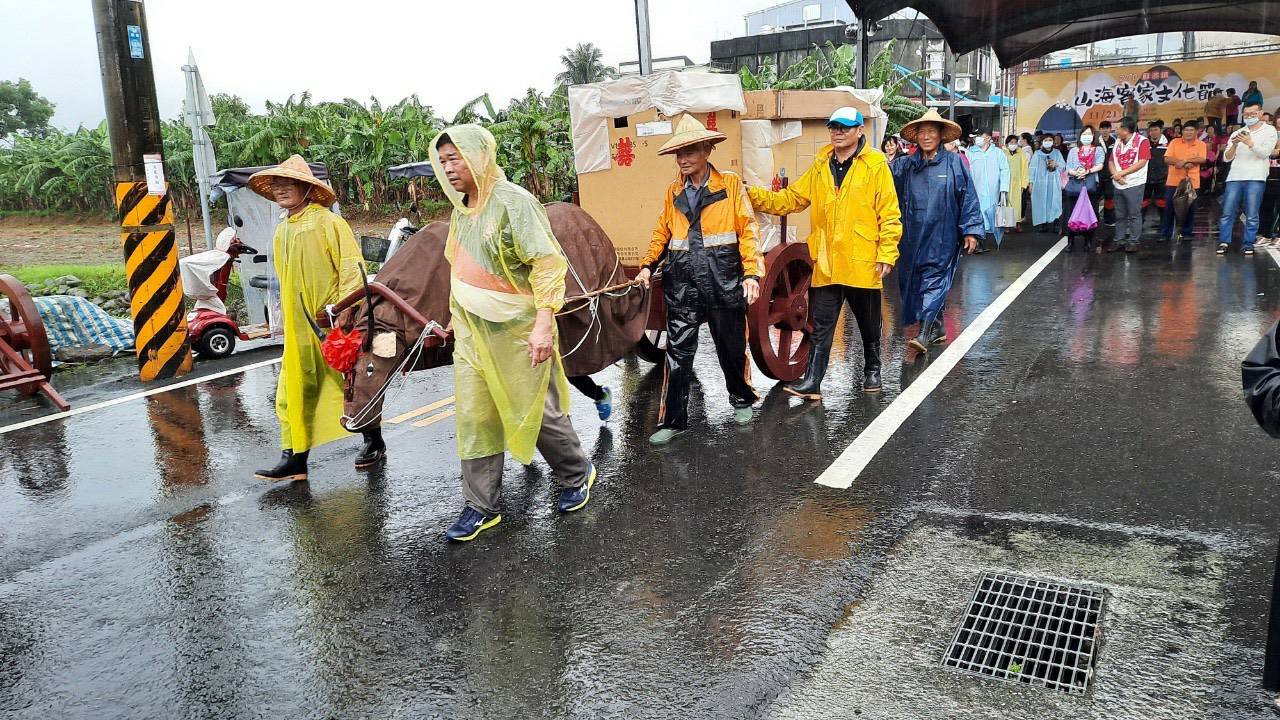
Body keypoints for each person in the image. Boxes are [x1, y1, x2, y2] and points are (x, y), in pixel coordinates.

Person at [429, 125, 597, 542]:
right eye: (443, 160)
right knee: (475, 415)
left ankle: (576, 473)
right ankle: (480, 506)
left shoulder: (514, 203)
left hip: (518, 330)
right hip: (472, 334)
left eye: (456, 158)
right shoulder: (460, 212)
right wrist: (455, 316)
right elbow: (460, 268)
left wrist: (543, 324)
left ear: (479, 156)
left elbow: (546, 263)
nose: (448, 168)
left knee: (534, 412)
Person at [747, 107, 900, 398]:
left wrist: (886, 253)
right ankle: (813, 381)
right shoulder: (820, 164)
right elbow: (792, 199)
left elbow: (889, 213)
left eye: (844, 127)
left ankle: (872, 370)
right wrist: (753, 194)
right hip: (828, 260)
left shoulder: (876, 164)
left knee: (868, 321)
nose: (837, 132)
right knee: (822, 323)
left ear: (858, 131)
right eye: (833, 127)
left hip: (862, 258)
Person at [635, 114, 761, 445]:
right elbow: (662, 231)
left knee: (731, 349)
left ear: (707, 150)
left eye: (690, 151)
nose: (683, 159)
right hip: (683, 285)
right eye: (679, 153)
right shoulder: (672, 191)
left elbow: (747, 230)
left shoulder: (730, 185)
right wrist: (648, 265)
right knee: (677, 354)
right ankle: (672, 421)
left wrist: (751, 273)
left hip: (723, 280)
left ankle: (741, 398)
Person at [248, 156, 367, 482]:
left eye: (289, 183)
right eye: (277, 184)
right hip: (298, 329)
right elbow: (285, 280)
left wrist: (345, 310)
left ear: (306, 188)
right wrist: (284, 319)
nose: (281, 189)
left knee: (349, 387)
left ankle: (373, 440)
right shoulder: (282, 230)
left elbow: (350, 267)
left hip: (328, 322)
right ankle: (295, 458)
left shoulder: (328, 222)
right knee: (291, 392)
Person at [892, 109, 983, 353]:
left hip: (943, 235)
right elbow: (884, 188)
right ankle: (938, 326)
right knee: (915, 281)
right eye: (922, 132)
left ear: (941, 135)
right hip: (911, 235)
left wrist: (970, 230)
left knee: (934, 280)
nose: (927, 137)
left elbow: (968, 197)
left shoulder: (954, 163)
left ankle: (923, 333)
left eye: (932, 131)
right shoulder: (906, 165)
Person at [1217, 101, 1278, 256]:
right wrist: (1235, 145)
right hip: (1235, 176)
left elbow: (1265, 153)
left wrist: (1250, 143)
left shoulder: (1269, 130)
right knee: (1228, 211)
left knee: (1252, 212)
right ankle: (1224, 241)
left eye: (1253, 114)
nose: (1249, 117)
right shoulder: (1238, 132)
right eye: (1246, 114)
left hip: (1256, 176)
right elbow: (1226, 158)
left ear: (1260, 113)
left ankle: (1248, 243)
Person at [1107, 117, 1152, 253]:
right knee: (1120, 214)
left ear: (1126, 130)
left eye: (1118, 128)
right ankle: (1119, 240)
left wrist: (1122, 173)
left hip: (1134, 182)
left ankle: (1133, 241)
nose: (1116, 130)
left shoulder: (1142, 141)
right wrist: (1116, 174)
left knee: (1134, 214)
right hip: (1118, 183)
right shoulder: (1118, 142)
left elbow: (1142, 162)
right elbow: (1111, 161)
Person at [1161, 121, 1207, 242]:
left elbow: (1202, 159)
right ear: (1182, 131)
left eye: (1191, 130)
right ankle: (1166, 234)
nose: (1188, 132)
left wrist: (1185, 161)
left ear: (1196, 132)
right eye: (1186, 130)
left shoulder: (1201, 144)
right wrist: (1179, 162)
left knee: (1190, 208)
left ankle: (1187, 232)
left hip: (1192, 182)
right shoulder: (1174, 142)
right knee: (1169, 208)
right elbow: (1167, 159)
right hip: (1173, 181)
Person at [1062, 126, 1105, 252]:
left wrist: (1087, 171)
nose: (1087, 136)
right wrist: (1076, 173)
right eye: (1084, 134)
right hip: (1075, 184)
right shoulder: (1074, 150)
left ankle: (1088, 241)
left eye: (1089, 134)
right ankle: (1070, 241)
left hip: (1090, 185)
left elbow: (1100, 165)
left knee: (1089, 213)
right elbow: (1068, 167)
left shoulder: (1098, 150)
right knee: (1071, 213)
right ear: (1080, 136)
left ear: (1093, 136)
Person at [966, 131, 1011, 249]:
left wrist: (1004, 188)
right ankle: (979, 241)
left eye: (980, 137)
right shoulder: (971, 153)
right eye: (976, 137)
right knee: (977, 214)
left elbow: (1005, 170)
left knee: (992, 215)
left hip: (994, 191)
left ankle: (988, 237)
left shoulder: (998, 153)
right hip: (976, 190)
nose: (978, 139)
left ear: (988, 138)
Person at [1028, 136, 1065, 231]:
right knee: (1041, 202)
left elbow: (1063, 166)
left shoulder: (1057, 153)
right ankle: (1042, 223)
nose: (1048, 142)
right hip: (1040, 182)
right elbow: (1032, 169)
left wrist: (1055, 164)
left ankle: (1056, 223)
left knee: (1055, 201)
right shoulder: (1037, 154)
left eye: (1050, 140)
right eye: (1046, 140)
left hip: (1054, 182)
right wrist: (1031, 183)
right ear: (1042, 142)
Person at [1258, 115, 1280, 247]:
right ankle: (1265, 235)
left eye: (1267, 121)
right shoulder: (1265, 136)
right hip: (1266, 175)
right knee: (1266, 206)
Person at [1143, 122, 1170, 225]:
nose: (1153, 132)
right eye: (1151, 130)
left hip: (1162, 179)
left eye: (1156, 130)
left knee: (1162, 203)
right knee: (1143, 203)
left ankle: (1164, 226)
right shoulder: (1144, 144)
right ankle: (1139, 226)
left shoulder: (1167, 144)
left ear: (1161, 130)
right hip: (1146, 178)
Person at [1003, 133, 1029, 231]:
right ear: (1007, 144)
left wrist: (1023, 184)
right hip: (1006, 183)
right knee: (1006, 204)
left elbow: (1024, 169)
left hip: (1017, 183)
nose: (1013, 144)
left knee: (1017, 204)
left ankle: (1017, 223)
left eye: (1015, 142)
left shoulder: (1020, 153)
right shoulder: (1003, 153)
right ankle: (1007, 225)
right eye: (1011, 142)